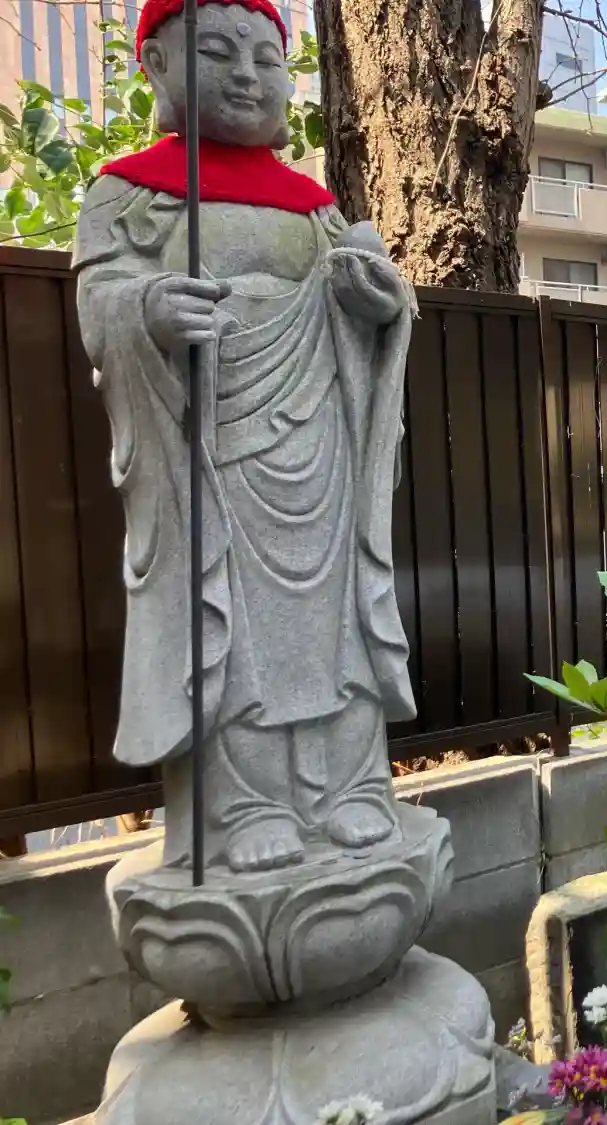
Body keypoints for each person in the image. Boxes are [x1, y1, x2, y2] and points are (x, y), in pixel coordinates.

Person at [74, 0, 416, 873]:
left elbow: (377, 302)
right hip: (213, 455)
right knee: (233, 628)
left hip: (323, 447)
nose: (247, 75)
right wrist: (147, 309)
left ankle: (350, 787)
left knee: (336, 623)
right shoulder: (129, 194)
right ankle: (246, 806)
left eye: (267, 59)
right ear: (156, 65)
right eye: (219, 53)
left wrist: (381, 306)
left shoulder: (315, 207)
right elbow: (99, 307)